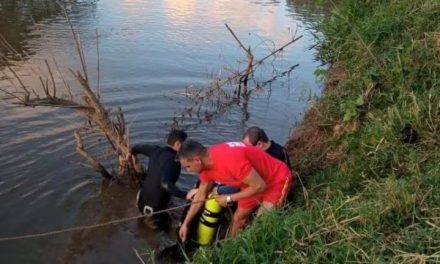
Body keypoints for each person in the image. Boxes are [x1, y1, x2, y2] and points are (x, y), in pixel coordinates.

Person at [177, 140, 292, 241]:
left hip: (276, 180)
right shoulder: (206, 166)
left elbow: (260, 186)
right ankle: (231, 246)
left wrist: (229, 198)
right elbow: (201, 195)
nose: (187, 170)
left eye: (188, 166)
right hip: (250, 183)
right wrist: (186, 223)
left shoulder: (230, 161)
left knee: (260, 223)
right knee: (238, 218)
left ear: (197, 160)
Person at [127, 129, 188, 229]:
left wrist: (132, 154)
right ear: (178, 144)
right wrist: (185, 195)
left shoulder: (155, 150)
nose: (187, 149)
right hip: (155, 210)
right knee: (163, 232)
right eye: (185, 145)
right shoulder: (174, 161)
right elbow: (165, 184)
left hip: (141, 202)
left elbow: (136, 147)